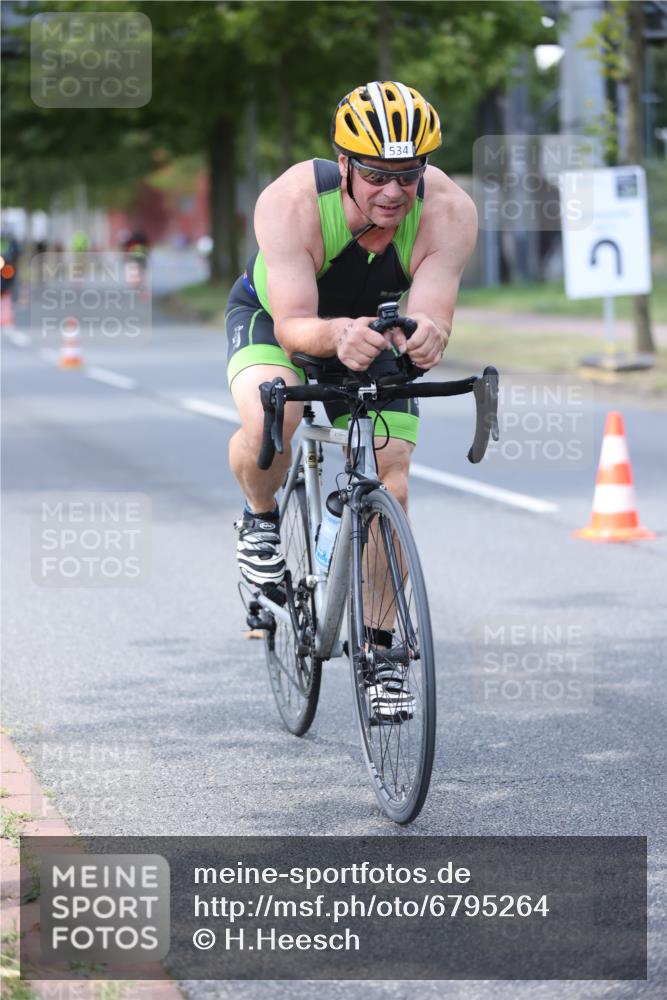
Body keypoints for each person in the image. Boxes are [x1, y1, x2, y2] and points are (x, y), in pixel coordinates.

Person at [226, 80, 477, 591]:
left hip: (370, 332)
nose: (392, 192)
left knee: (393, 476)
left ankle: (382, 655)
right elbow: (294, 327)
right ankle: (260, 516)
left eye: (407, 176)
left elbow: (431, 315)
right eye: (376, 174)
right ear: (343, 163)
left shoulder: (449, 213)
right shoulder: (292, 202)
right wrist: (338, 333)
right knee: (273, 417)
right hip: (277, 318)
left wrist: (428, 335)